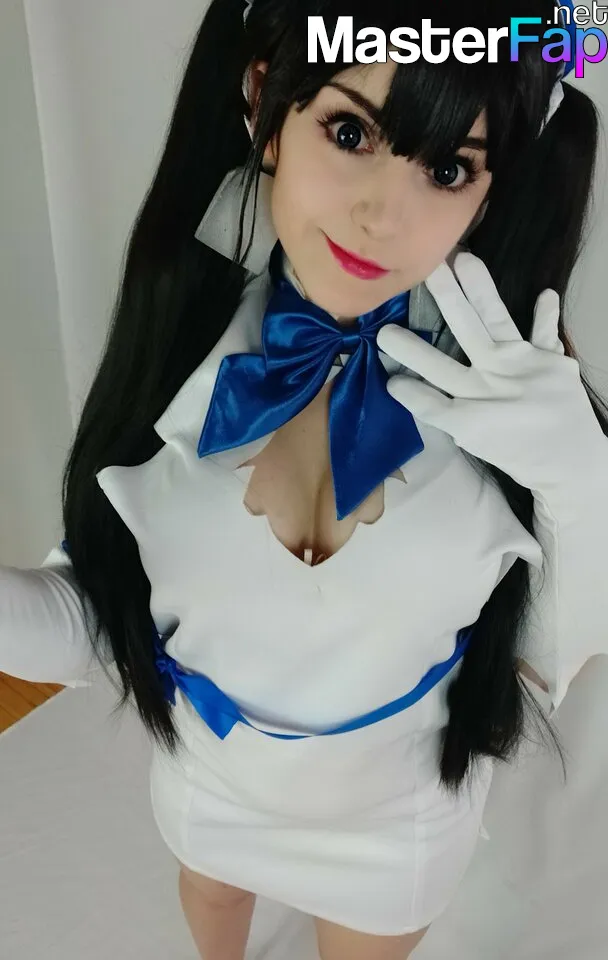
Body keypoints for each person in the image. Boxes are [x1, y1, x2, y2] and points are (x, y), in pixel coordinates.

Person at [2, 1, 608, 958]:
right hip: (209, 793)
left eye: (448, 169)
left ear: (490, 192)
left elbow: (542, 657)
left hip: (394, 830)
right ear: (264, 104)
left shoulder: (509, 413)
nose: (384, 215)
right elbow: (101, 616)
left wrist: (584, 484)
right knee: (211, 912)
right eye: (350, 132)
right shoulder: (177, 354)